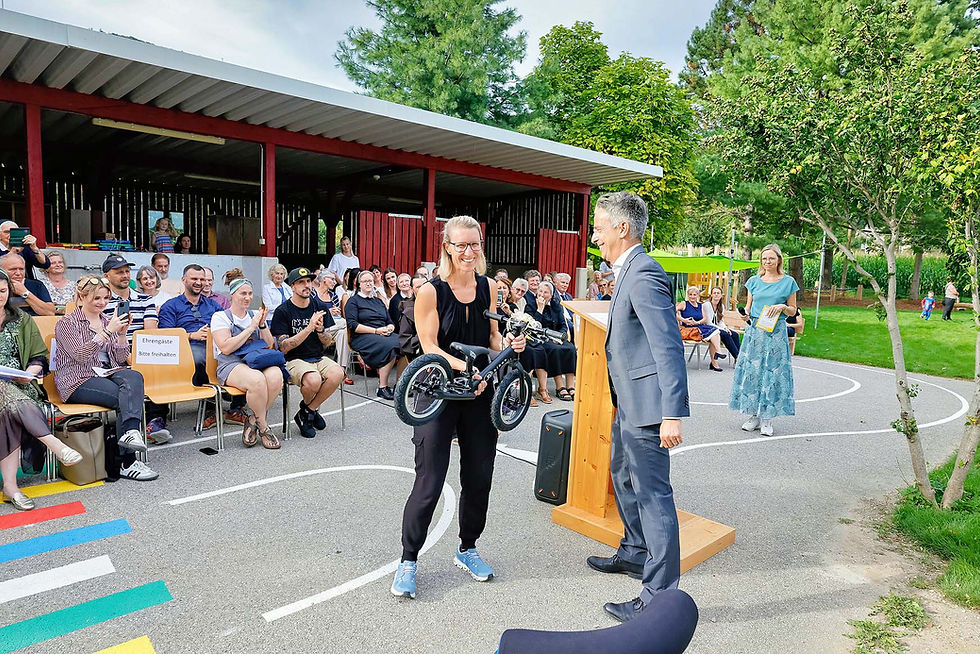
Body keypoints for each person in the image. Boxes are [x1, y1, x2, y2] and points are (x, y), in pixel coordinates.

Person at [390, 215, 526, 600]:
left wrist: (509, 349)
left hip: (480, 393)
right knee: (429, 480)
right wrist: (467, 367)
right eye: (460, 245)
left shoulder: (488, 288)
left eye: (475, 244)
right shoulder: (431, 292)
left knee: (479, 476)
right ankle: (409, 559)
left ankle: (467, 548)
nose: (469, 251)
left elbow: (494, 337)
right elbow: (429, 345)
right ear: (446, 246)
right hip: (438, 391)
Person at [586, 191, 689, 624]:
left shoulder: (644, 273)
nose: (595, 235)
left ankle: (658, 596)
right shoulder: (627, 271)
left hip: (649, 408)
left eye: (599, 226)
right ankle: (634, 552)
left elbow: (668, 346)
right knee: (621, 476)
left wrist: (672, 413)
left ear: (622, 229)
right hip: (629, 402)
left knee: (653, 498)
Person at [55, 275, 158, 481]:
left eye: (105, 298)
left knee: (134, 375)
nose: (102, 303)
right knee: (125, 398)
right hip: (77, 379)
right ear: (82, 297)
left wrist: (121, 335)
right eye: (97, 299)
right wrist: (106, 332)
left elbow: (119, 359)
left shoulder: (106, 320)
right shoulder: (67, 323)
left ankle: (130, 435)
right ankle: (127, 462)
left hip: (105, 373)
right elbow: (80, 355)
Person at [0, 270, 83, 511]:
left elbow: (39, 357)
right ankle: (55, 445)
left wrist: (32, 370)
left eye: (3, 291)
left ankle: (11, 487)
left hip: (20, 384)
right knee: (8, 399)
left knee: (10, 409)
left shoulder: (22, 319)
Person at [729, 243, 799, 437]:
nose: (767, 262)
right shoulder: (753, 281)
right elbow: (749, 309)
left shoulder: (788, 282)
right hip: (755, 332)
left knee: (772, 373)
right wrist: (745, 316)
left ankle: (767, 417)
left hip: (775, 333)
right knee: (753, 372)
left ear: (779, 260)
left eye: (771, 258)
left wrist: (783, 308)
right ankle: (754, 416)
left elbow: (793, 310)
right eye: (764, 259)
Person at [100, 254, 170, 445]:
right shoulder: (101, 302)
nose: (124, 275)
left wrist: (138, 356)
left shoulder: (145, 299)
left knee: (159, 364)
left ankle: (154, 422)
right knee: (132, 373)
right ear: (107, 276)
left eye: (126, 271)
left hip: (140, 348)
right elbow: (105, 337)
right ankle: (133, 428)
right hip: (111, 351)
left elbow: (150, 333)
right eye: (119, 272)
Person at [271, 267, 345, 439]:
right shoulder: (283, 311)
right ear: (292, 286)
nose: (307, 285)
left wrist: (320, 331)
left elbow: (327, 343)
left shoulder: (318, 306)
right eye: (301, 282)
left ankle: (307, 410)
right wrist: (309, 327)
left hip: (318, 357)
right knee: (313, 379)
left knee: (338, 373)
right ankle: (310, 410)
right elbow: (284, 347)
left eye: (309, 281)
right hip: (293, 360)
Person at [211, 277, 281, 449]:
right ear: (232, 295)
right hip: (230, 363)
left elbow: (269, 344)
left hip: (255, 360)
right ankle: (264, 427)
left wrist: (262, 324)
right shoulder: (220, 316)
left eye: (250, 293)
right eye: (243, 293)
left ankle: (252, 418)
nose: (247, 297)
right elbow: (226, 347)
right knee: (257, 380)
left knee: (276, 376)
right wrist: (251, 328)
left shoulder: (254, 315)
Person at [158, 264, 223, 427]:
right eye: (194, 278)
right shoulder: (171, 306)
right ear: (184, 280)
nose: (199, 282)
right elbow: (166, 336)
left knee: (241, 357)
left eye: (202, 279)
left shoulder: (213, 305)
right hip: (184, 350)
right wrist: (191, 335)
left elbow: (225, 325)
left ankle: (235, 408)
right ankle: (210, 406)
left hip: (214, 346)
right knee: (201, 357)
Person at [346, 270, 400, 399]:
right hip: (362, 336)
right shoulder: (353, 301)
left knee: (404, 342)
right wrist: (376, 331)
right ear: (359, 284)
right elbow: (353, 325)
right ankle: (382, 387)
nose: (369, 283)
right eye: (365, 281)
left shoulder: (378, 301)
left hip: (382, 333)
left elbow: (390, 321)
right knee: (391, 344)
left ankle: (400, 384)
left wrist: (389, 328)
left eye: (370, 281)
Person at [526, 281, 577, 402]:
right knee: (554, 350)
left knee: (570, 349)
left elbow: (563, 324)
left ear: (551, 294)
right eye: (541, 291)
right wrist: (540, 308)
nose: (542, 294)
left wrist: (559, 336)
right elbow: (534, 325)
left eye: (546, 292)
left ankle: (570, 386)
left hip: (556, 336)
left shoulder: (556, 305)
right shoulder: (531, 305)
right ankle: (560, 386)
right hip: (541, 336)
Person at [676, 286, 725, 372]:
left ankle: (716, 357)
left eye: (694, 295)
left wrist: (697, 322)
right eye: (690, 294)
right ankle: (717, 356)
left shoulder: (700, 305)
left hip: (698, 326)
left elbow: (705, 319)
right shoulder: (684, 303)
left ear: (697, 295)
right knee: (713, 333)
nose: (692, 296)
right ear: (688, 295)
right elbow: (673, 311)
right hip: (689, 329)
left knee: (715, 331)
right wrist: (683, 320)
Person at [704, 286, 740, 360]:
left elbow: (720, 321)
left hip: (716, 327)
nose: (716, 295)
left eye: (718, 293)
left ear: (721, 295)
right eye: (714, 293)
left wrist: (725, 328)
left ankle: (739, 357)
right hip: (708, 328)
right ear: (711, 295)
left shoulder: (721, 306)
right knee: (725, 334)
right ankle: (737, 357)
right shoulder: (707, 305)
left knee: (735, 334)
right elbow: (708, 323)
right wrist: (723, 330)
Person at [397, 276, 426, 361]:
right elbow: (405, 342)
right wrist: (422, 337)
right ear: (412, 289)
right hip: (420, 355)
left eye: (425, 285)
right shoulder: (409, 311)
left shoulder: (439, 305)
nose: (422, 289)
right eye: (418, 287)